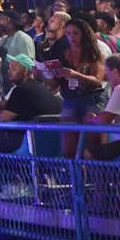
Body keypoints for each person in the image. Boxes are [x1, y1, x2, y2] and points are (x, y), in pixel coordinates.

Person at [48, 17, 109, 160]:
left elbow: (97, 81)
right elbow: (55, 84)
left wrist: (76, 75)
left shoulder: (94, 54)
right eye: (68, 33)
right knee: (69, 148)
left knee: (92, 147)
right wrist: (45, 74)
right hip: (69, 99)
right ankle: (76, 179)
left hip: (91, 100)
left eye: (75, 33)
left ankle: (96, 180)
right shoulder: (65, 54)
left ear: (84, 34)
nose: (71, 37)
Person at [0, 52, 62, 155]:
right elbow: (2, 105)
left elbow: (3, 118)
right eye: (9, 68)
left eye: (13, 69)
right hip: (48, 145)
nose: (9, 71)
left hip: (29, 142)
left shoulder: (22, 90)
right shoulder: (38, 87)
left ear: (26, 71)